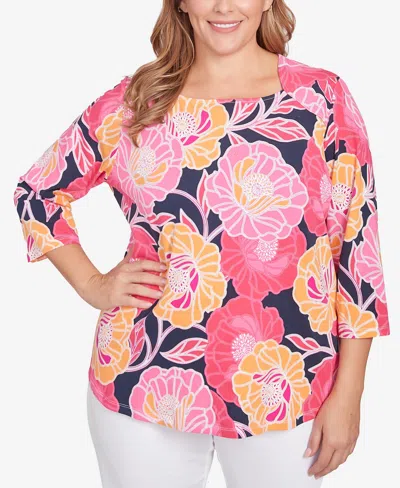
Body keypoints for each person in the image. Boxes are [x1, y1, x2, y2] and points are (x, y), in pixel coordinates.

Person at [13, 0, 391, 487]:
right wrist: (92, 284)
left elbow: (357, 249)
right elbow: (38, 192)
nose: (223, 5)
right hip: (142, 379)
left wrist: (350, 392)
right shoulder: (136, 102)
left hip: (287, 384)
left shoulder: (321, 98)